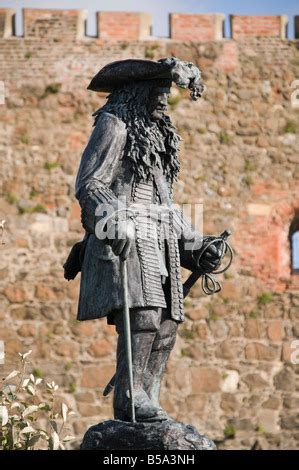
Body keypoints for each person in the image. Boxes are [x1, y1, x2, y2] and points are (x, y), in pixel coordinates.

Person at [64, 58, 222, 422]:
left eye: (167, 92)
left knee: (168, 321)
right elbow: (90, 183)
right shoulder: (114, 126)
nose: (164, 100)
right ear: (137, 92)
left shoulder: (157, 139)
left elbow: (166, 206)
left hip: (160, 237)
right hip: (126, 238)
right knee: (145, 316)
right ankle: (130, 399)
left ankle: (148, 396)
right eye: (158, 91)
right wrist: (113, 218)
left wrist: (198, 246)